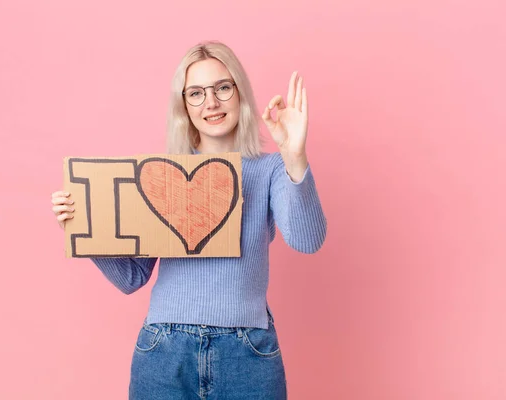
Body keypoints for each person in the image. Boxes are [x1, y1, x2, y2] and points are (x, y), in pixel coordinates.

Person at [51, 41, 327, 400]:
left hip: (247, 350)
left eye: (222, 88)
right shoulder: (163, 173)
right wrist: (84, 229)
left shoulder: (269, 168)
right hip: (165, 351)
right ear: (183, 105)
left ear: (239, 92)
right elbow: (132, 278)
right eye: (195, 93)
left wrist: (295, 158)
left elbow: (308, 240)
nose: (210, 103)